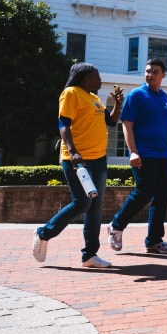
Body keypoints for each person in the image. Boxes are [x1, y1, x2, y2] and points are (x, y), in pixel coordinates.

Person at [32, 63, 122, 268]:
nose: (100, 79)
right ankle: (44, 232)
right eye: (96, 76)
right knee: (82, 202)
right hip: (78, 159)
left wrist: (117, 103)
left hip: (98, 158)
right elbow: (63, 123)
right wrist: (73, 151)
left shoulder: (95, 98)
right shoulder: (71, 93)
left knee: (95, 206)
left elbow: (111, 121)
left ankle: (90, 255)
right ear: (84, 78)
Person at [107, 58, 167, 254]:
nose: (150, 74)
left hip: (163, 155)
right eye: (148, 71)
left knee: (162, 197)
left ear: (163, 75)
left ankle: (154, 241)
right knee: (143, 192)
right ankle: (116, 225)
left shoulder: (165, 98)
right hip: (144, 154)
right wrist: (133, 152)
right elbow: (127, 124)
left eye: (155, 71)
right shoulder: (136, 95)